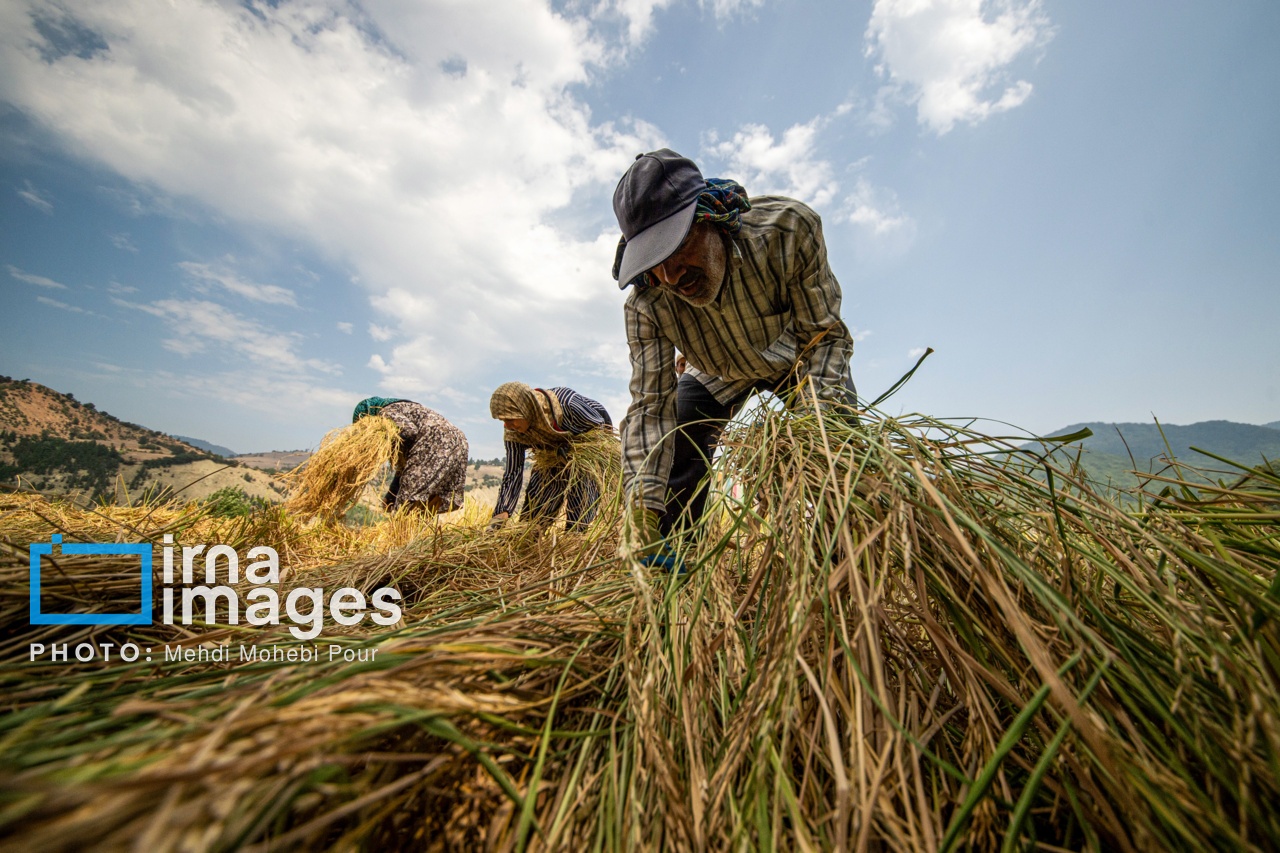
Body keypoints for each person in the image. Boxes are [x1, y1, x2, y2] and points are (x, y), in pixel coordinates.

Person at [611, 148, 857, 551]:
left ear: (709, 217)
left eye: (676, 247)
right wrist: (641, 510)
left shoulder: (788, 231)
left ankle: (839, 559)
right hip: (715, 369)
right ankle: (675, 565)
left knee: (840, 447)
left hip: (795, 356)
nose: (669, 276)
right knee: (679, 436)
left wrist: (818, 431)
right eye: (654, 260)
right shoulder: (646, 305)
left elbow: (824, 339)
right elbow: (650, 408)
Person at [488, 382, 612, 531]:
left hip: (583, 453)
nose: (507, 425)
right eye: (503, 420)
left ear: (525, 409)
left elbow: (598, 429)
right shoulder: (513, 433)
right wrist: (501, 513)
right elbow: (513, 473)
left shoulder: (567, 405)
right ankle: (531, 537)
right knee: (534, 516)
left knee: (580, 499)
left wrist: (571, 449)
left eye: (510, 419)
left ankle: (575, 536)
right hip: (551, 455)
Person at [352, 397, 468, 515]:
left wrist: (386, 443)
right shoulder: (405, 407)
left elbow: (409, 431)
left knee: (408, 502)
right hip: (459, 441)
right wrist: (391, 495)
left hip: (437, 440)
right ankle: (417, 527)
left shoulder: (385, 412)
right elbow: (404, 465)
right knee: (429, 500)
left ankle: (403, 526)